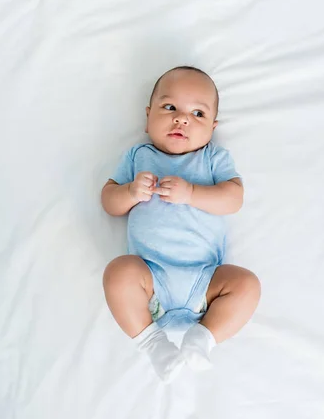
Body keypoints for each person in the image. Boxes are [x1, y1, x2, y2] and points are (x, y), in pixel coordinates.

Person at [101, 66, 261, 382]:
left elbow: (233, 199)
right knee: (118, 272)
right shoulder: (138, 156)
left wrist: (191, 193)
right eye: (170, 107)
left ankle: (203, 337)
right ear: (148, 116)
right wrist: (131, 191)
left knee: (247, 285)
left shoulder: (213, 158)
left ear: (213, 128)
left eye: (197, 113)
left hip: (206, 281)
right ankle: (151, 342)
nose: (182, 119)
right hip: (150, 280)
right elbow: (109, 202)